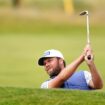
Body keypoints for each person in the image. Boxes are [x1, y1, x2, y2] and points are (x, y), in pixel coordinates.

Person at [38, 45, 103, 90]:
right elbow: (62, 78)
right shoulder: (45, 85)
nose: (46, 65)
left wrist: (91, 64)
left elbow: (98, 85)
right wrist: (82, 56)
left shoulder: (84, 75)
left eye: (49, 61)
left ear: (60, 61)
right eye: (44, 63)